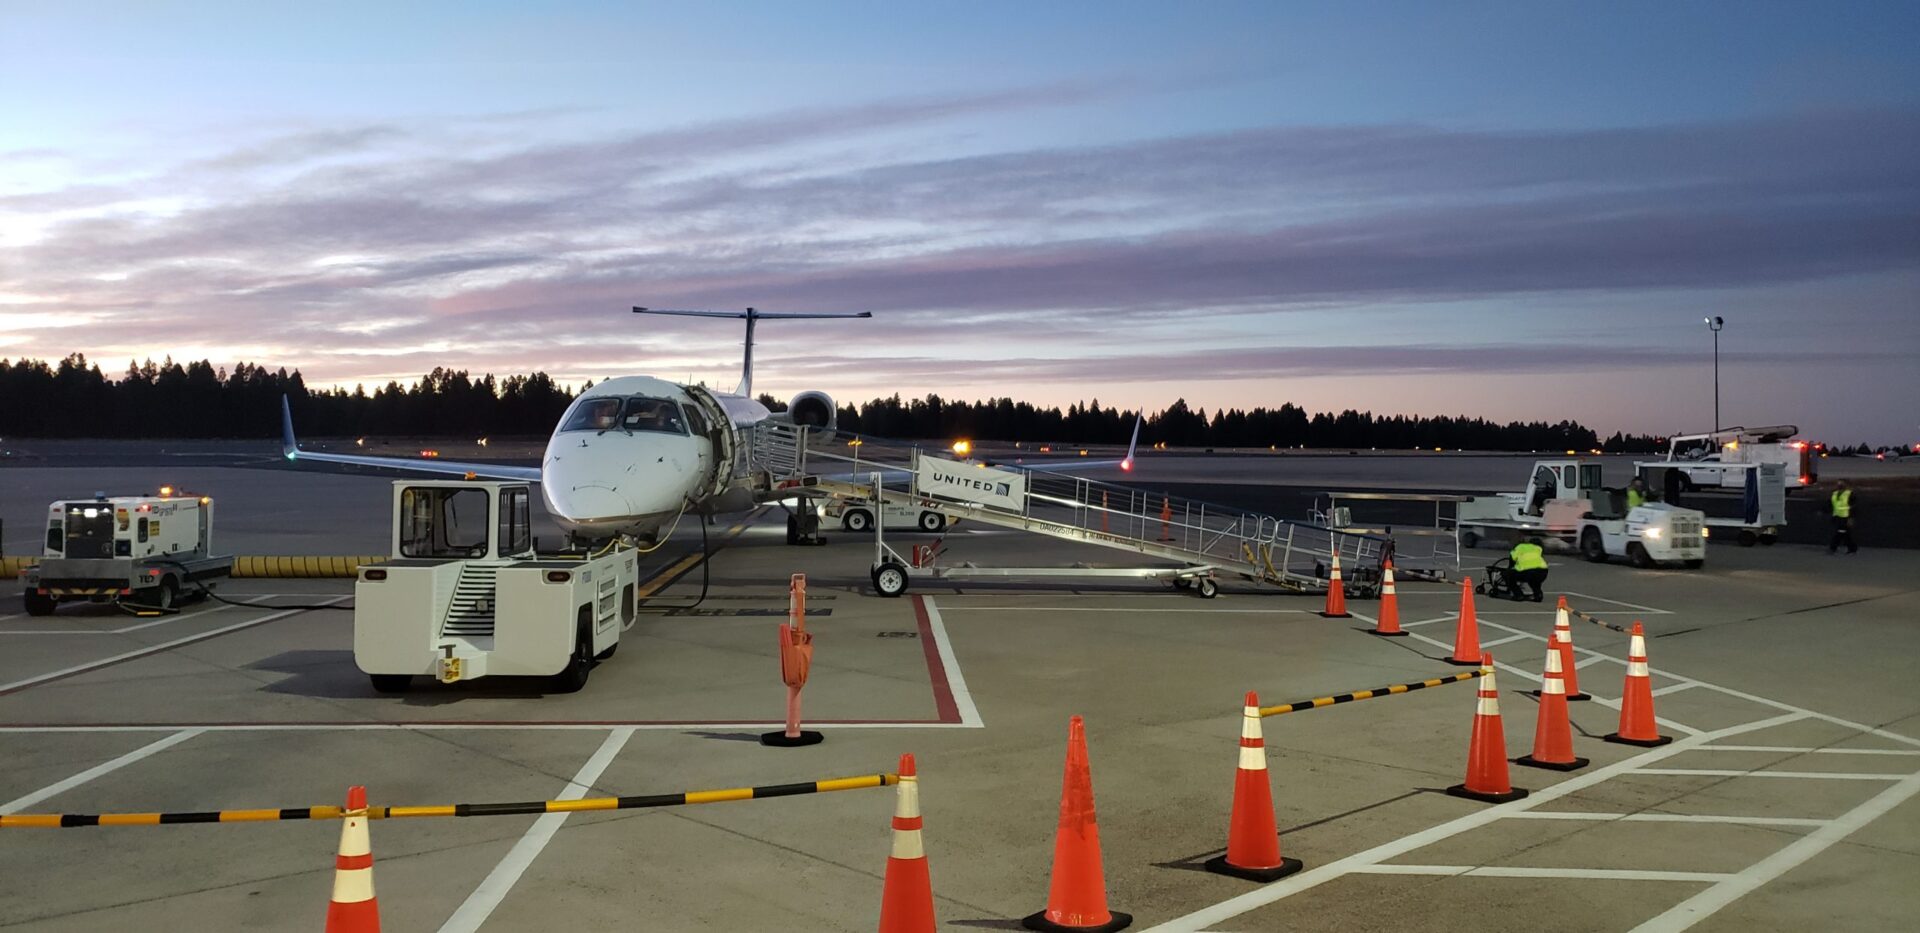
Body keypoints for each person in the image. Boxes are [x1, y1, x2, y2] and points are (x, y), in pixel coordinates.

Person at [1503, 536, 1550, 602]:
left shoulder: (1518, 548)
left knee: (1507, 574)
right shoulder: (1537, 548)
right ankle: (1538, 594)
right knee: (1534, 581)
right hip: (1543, 571)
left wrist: (1510, 570)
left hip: (1527, 571)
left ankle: (1518, 595)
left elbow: (1511, 562)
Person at [1829, 480, 1858, 555]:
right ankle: (1851, 549)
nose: (1839, 485)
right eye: (1838, 483)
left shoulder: (1850, 494)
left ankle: (1833, 548)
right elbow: (1831, 504)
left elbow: (1854, 507)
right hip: (1837, 517)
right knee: (1844, 534)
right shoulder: (1834, 494)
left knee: (1841, 533)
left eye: (1841, 483)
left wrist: (1851, 518)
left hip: (1845, 517)